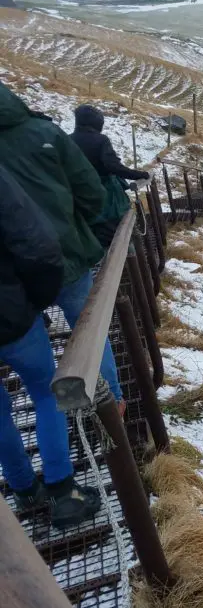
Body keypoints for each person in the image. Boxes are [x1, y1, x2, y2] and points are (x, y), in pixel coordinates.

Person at [0, 82, 127, 526]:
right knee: (86, 335)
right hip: (43, 273)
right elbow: (87, 194)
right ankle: (109, 421)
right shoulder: (40, 133)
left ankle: (21, 486)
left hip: (14, 288)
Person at [70, 104, 150, 248]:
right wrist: (140, 174)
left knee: (88, 227)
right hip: (104, 192)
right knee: (116, 226)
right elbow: (113, 166)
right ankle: (126, 258)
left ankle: (94, 258)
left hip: (77, 193)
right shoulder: (100, 140)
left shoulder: (68, 140)